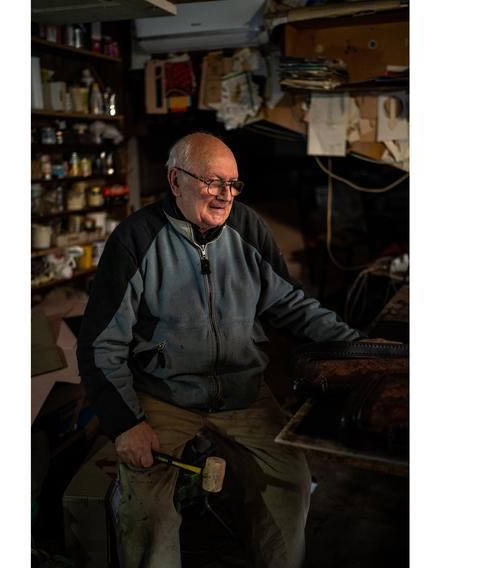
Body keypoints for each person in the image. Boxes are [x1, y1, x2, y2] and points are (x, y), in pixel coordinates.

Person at [77, 132, 361, 568]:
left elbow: (289, 303)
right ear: (175, 181)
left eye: (232, 184)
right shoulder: (136, 239)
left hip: (242, 391)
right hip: (165, 394)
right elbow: (101, 344)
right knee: (147, 509)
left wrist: (356, 347)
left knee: (290, 483)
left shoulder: (247, 227)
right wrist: (124, 424)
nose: (225, 196)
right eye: (212, 182)